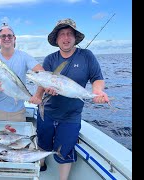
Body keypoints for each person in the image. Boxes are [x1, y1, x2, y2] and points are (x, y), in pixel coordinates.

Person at [32, 18, 110, 179]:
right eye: (62, 34)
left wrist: (97, 92)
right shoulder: (50, 59)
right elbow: (43, 81)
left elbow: (97, 78)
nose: (66, 38)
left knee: (65, 149)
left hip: (71, 116)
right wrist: (39, 94)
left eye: (69, 34)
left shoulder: (87, 56)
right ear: (56, 39)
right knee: (43, 143)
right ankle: (42, 164)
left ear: (75, 37)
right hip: (47, 112)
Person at [0, 23, 44, 122]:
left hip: (18, 113)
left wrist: (38, 95)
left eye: (9, 36)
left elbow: (42, 74)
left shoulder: (24, 57)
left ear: (14, 38)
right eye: (3, 36)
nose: (6, 38)